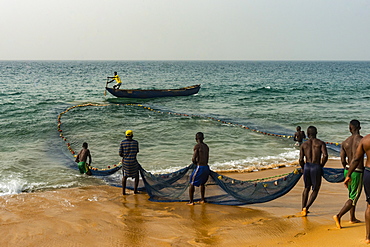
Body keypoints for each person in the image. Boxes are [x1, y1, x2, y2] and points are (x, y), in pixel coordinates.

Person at [333, 120, 363, 228]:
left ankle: (352, 218)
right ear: (359, 127)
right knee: (354, 197)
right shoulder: (362, 141)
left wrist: (347, 171)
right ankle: (338, 215)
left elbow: (342, 159)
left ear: (350, 129)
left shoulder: (345, 142)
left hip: (347, 169)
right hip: (357, 170)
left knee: (351, 194)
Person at [344, 131, 370, 243]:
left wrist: (348, 175)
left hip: (368, 172)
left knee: (369, 205)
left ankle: (368, 237)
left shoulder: (365, 140)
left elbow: (355, 159)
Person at [300, 126, 328, 216]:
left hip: (307, 166)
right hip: (316, 166)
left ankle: (302, 207)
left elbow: (300, 159)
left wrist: (303, 167)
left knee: (306, 188)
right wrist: (321, 166)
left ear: (307, 134)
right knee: (315, 189)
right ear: (316, 133)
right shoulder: (321, 143)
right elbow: (325, 155)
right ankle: (306, 208)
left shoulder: (303, 145)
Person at [188, 132, 210, 205]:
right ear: (203, 138)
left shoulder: (197, 146)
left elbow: (194, 158)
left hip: (200, 167)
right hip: (206, 167)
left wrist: (195, 163)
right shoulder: (206, 146)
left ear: (196, 139)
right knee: (202, 183)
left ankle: (191, 201)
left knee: (191, 183)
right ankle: (202, 199)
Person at [119, 130, 139, 195]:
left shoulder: (122, 142)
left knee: (125, 176)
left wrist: (124, 156)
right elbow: (136, 152)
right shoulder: (136, 142)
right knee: (136, 176)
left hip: (126, 162)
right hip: (133, 162)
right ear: (132, 135)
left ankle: (123, 192)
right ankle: (135, 191)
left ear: (126, 136)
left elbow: (120, 153)